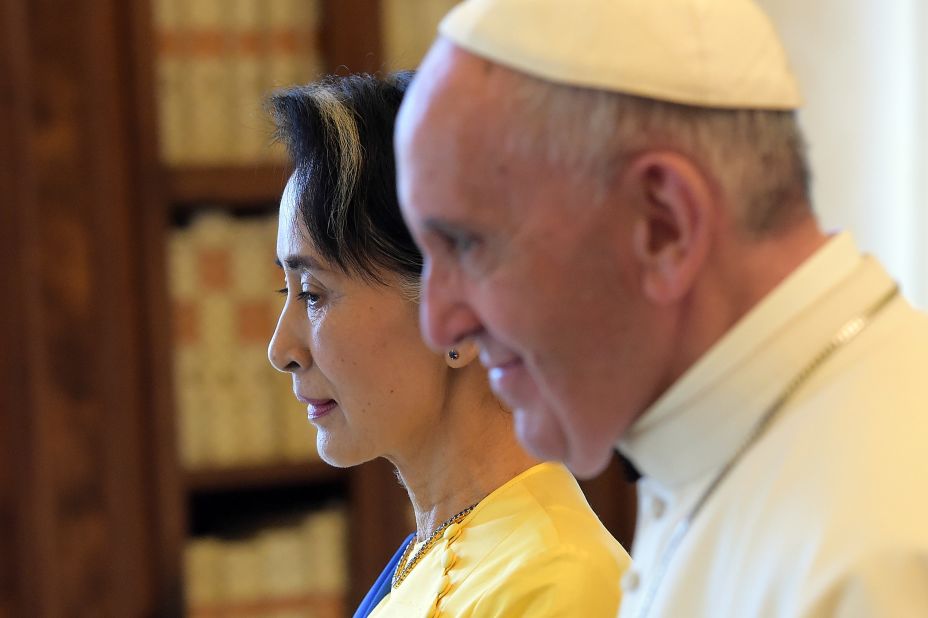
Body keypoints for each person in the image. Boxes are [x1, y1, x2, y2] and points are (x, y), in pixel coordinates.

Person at [394, 0, 928, 616]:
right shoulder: (713, 453)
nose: (439, 322)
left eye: (467, 244)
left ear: (663, 226)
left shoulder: (875, 555)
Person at [266, 72, 629, 618]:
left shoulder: (561, 584)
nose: (281, 348)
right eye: (286, 290)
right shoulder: (426, 558)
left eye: (313, 294)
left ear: (460, 314)